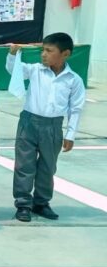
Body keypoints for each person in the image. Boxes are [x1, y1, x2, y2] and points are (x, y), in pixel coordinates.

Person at [6, 33, 86, 222]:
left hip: (53, 126)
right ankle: (23, 204)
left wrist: (70, 134)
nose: (43, 54)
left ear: (65, 54)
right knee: (24, 165)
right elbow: (13, 70)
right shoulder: (35, 70)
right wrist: (12, 55)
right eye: (43, 50)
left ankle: (41, 203)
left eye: (49, 51)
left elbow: (75, 108)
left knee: (48, 167)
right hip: (29, 123)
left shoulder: (73, 80)